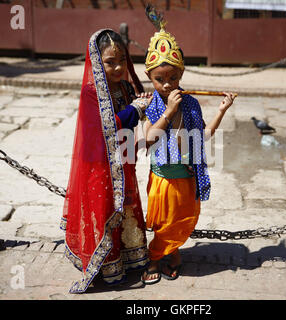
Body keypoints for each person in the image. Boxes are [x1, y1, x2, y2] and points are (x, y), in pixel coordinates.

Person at [140, 22, 236, 284]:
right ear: (150, 78)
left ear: (181, 75)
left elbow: (204, 136)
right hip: (162, 178)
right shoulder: (150, 104)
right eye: (159, 80)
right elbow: (147, 140)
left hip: (186, 176)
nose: (167, 85)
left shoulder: (191, 103)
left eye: (173, 78)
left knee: (181, 222)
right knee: (164, 224)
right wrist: (168, 112)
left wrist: (222, 110)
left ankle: (173, 253)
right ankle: (154, 257)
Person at [60, 29, 152, 294]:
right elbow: (107, 126)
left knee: (128, 206)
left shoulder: (124, 86)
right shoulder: (91, 93)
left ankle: (131, 257)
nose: (118, 67)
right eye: (110, 61)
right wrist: (135, 110)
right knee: (105, 208)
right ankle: (108, 264)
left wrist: (142, 105)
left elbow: (131, 118)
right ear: (97, 61)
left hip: (124, 160)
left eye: (122, 60)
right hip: (100, 165)